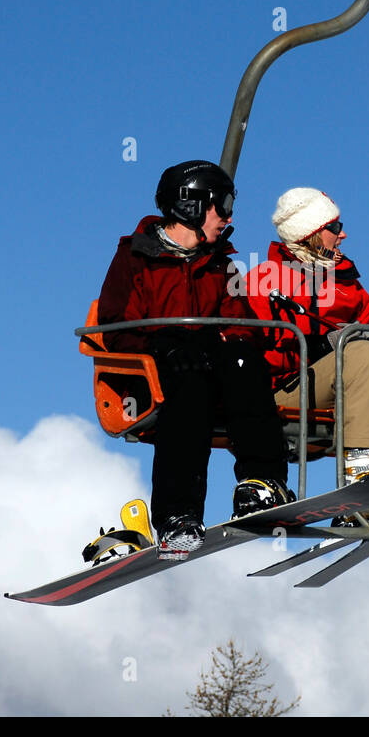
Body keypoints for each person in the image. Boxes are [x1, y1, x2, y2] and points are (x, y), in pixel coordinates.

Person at [98, 160, 292, 559]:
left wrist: (219, 341)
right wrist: (163, 344)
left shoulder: (220, 264)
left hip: (211, 368)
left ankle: (261, 483)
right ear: (191, 205)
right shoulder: (136, 258)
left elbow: (244, 326)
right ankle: (177, 514)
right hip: (148, 373)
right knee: (188, 384)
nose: (228, 216)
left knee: (241, 359)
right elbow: (115, 326)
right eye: (220, 205)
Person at [244, 188, 369, 500]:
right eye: (334, 228)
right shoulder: (267, 279)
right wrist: (324, 344)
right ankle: (359, 468)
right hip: (287, 389)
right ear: (310, 233)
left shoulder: (348, 284)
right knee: (358, 352)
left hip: (347, 379)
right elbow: (257, 350)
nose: (343, 234)